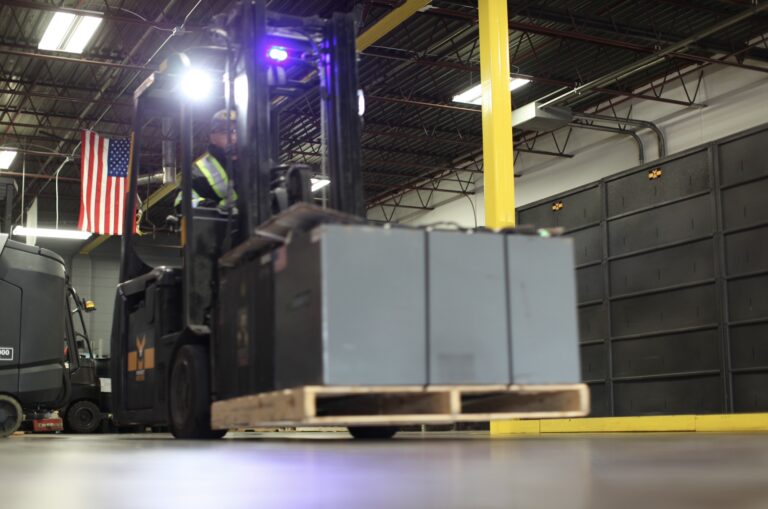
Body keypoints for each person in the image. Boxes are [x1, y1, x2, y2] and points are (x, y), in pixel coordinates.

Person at [175, 109, 238, 210]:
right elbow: (182, 204)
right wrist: (213, 209)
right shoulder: (198, 172)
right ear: (213, 137)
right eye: (225, 132)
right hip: (221, 224)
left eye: (237, 131)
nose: (234, 137)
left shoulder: (259, 162)